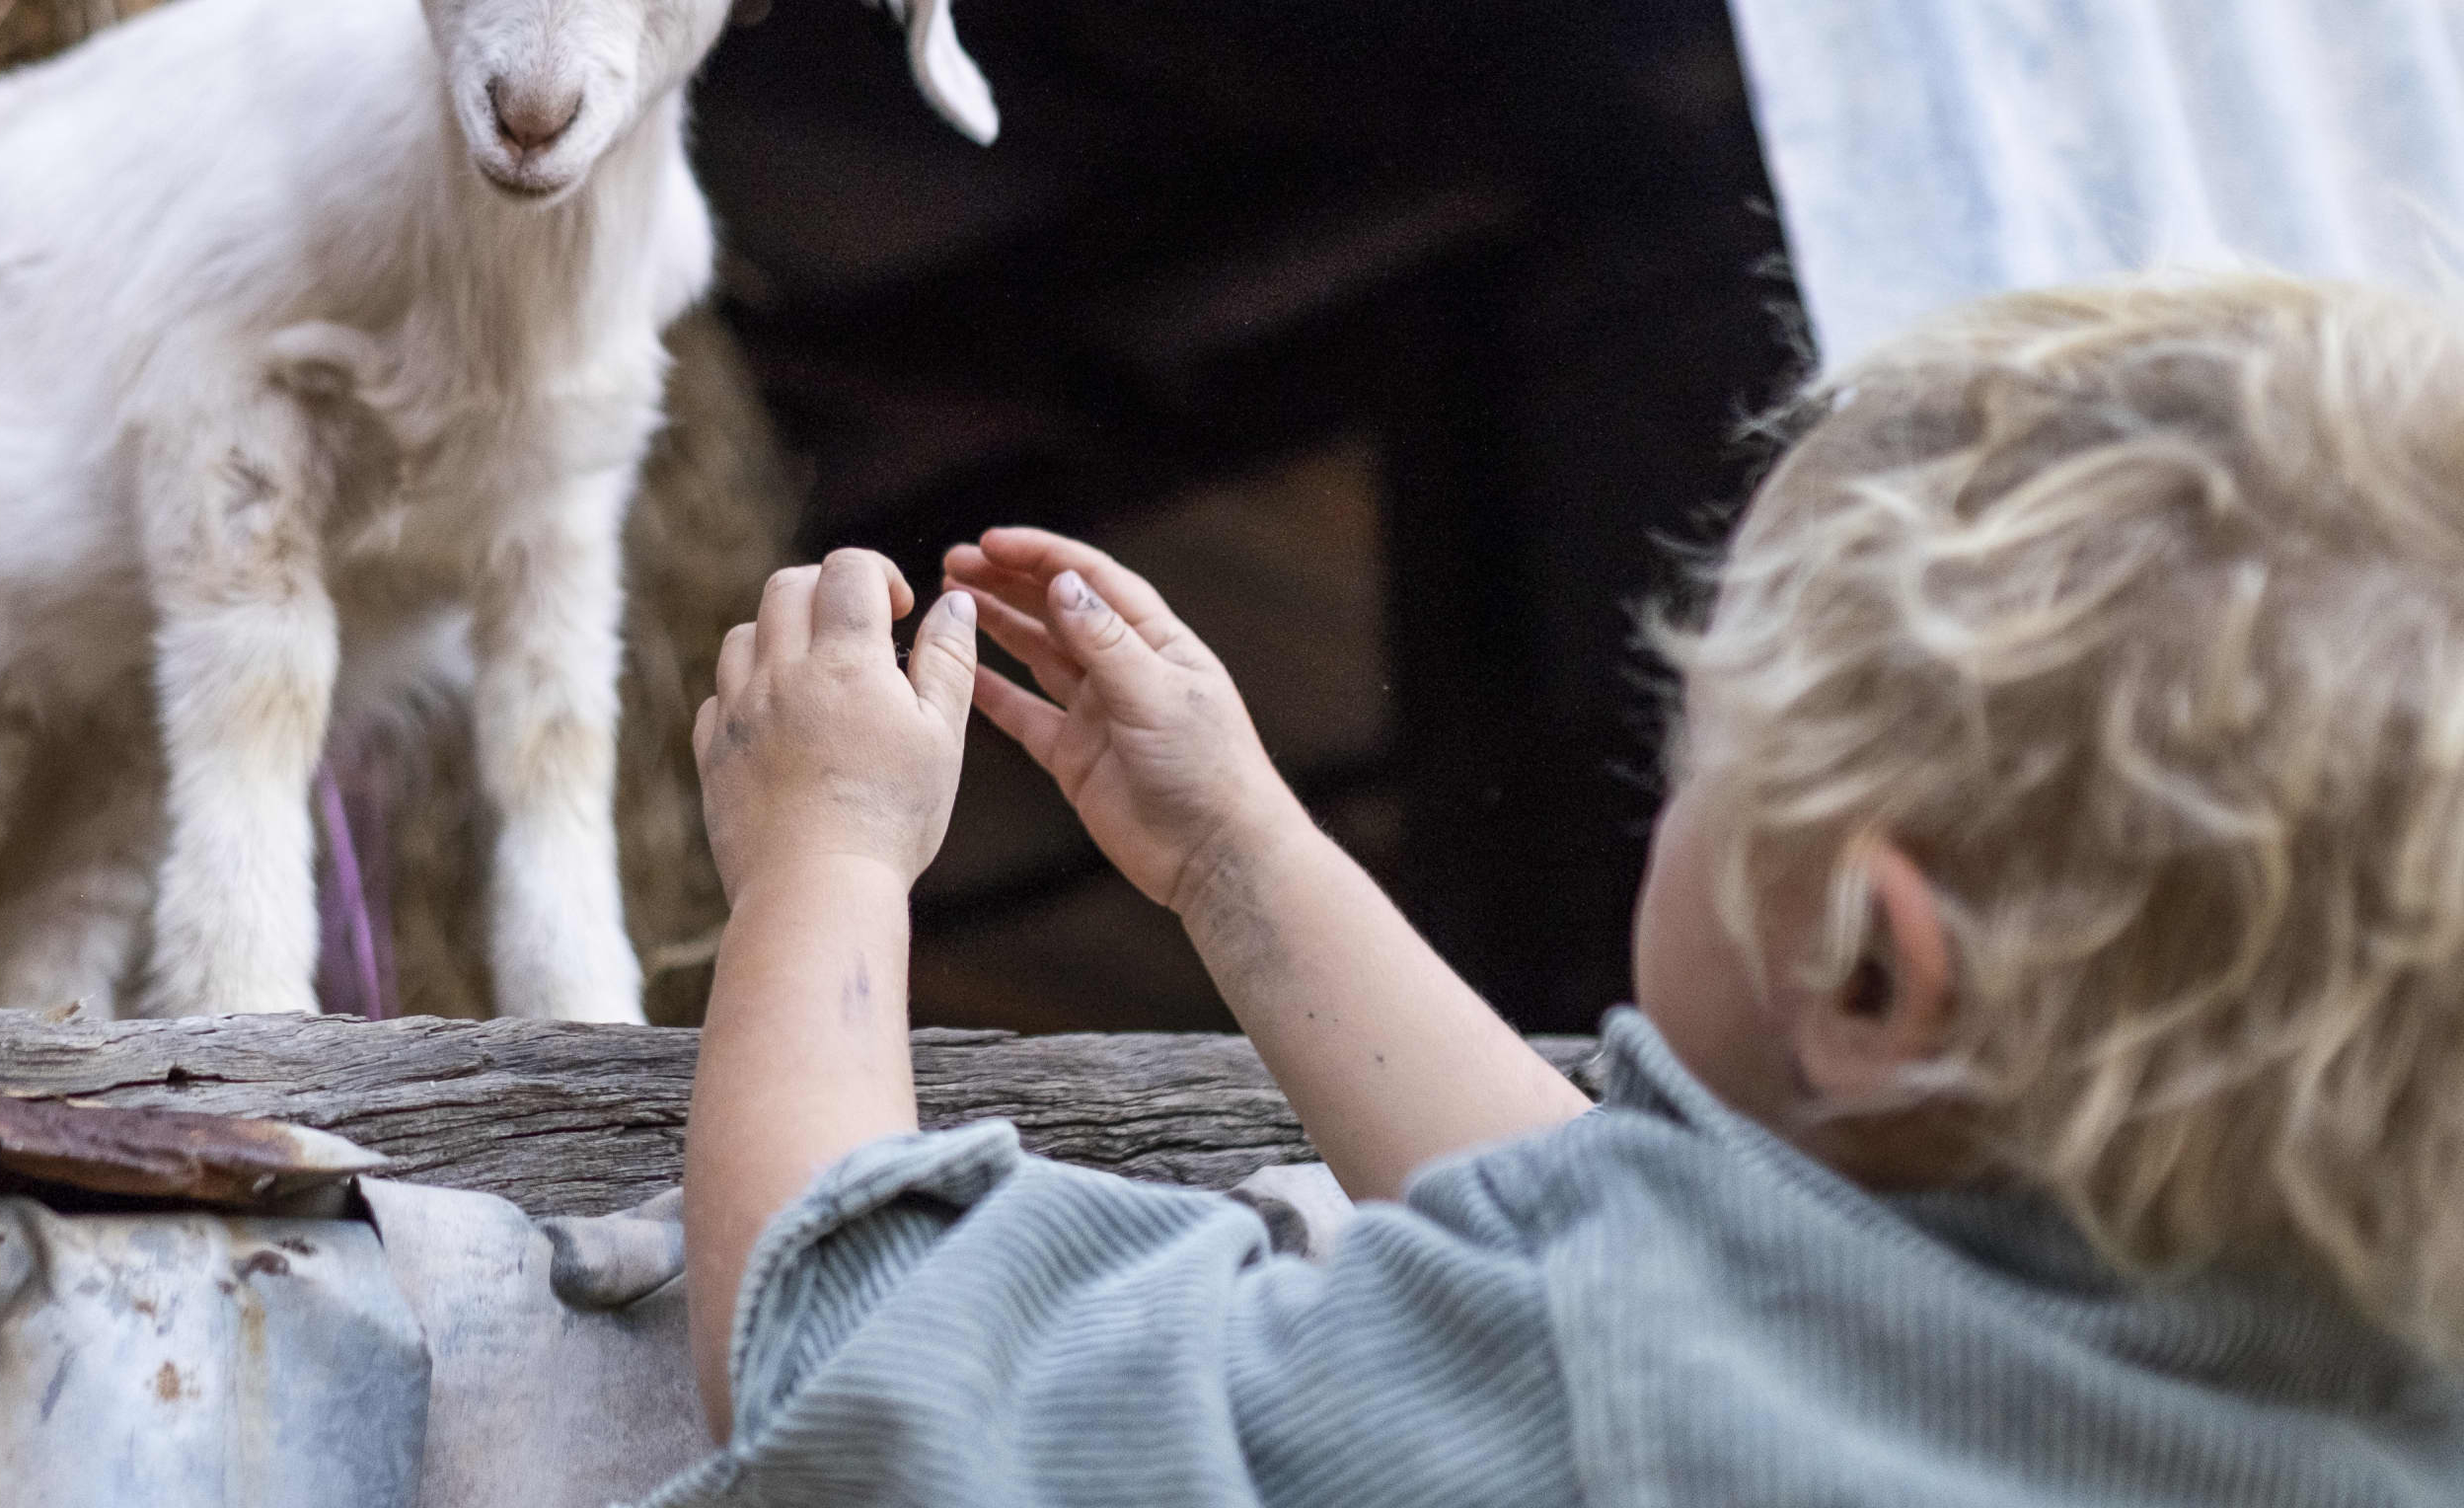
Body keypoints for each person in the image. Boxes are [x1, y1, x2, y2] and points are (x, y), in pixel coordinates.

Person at [655, 273, 2464, 1505]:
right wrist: (1239, 859)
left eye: (1706, 739)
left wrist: (824, 862)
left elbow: (868, 1388)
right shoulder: (2364, 1389)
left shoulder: (1604, 1410)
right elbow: (1661, 1248)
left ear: (1871, 977)